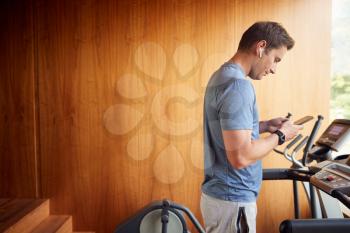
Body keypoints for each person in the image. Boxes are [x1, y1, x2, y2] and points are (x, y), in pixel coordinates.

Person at [200, 21, 303, 233]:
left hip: (221, 198)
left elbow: (225, 129)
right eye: (275, 59)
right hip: (233, 202)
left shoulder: (221, 76)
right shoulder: (239, 86)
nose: (274, 69)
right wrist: (282, 136)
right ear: (260, 47)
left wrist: (264, 125)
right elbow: (241, 157)